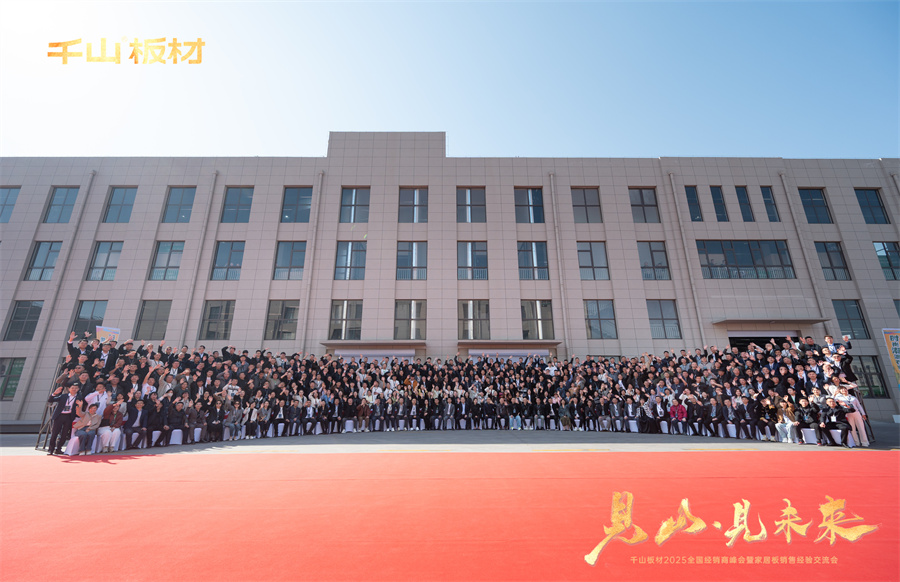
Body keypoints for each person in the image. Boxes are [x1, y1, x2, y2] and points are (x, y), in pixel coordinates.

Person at [47, 384, 82, 455]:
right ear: (69, 389)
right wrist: (54, 394)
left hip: (69, 417)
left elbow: (80, 407)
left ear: (78, 389)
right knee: (54, 433)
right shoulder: (63, 396)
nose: (74, 389)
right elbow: (51, 400)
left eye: (76, 388)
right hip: (59, 416)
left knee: (64, 434)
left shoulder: (79, 397)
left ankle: (58, 449)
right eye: (72, 388)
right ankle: (51, 449)